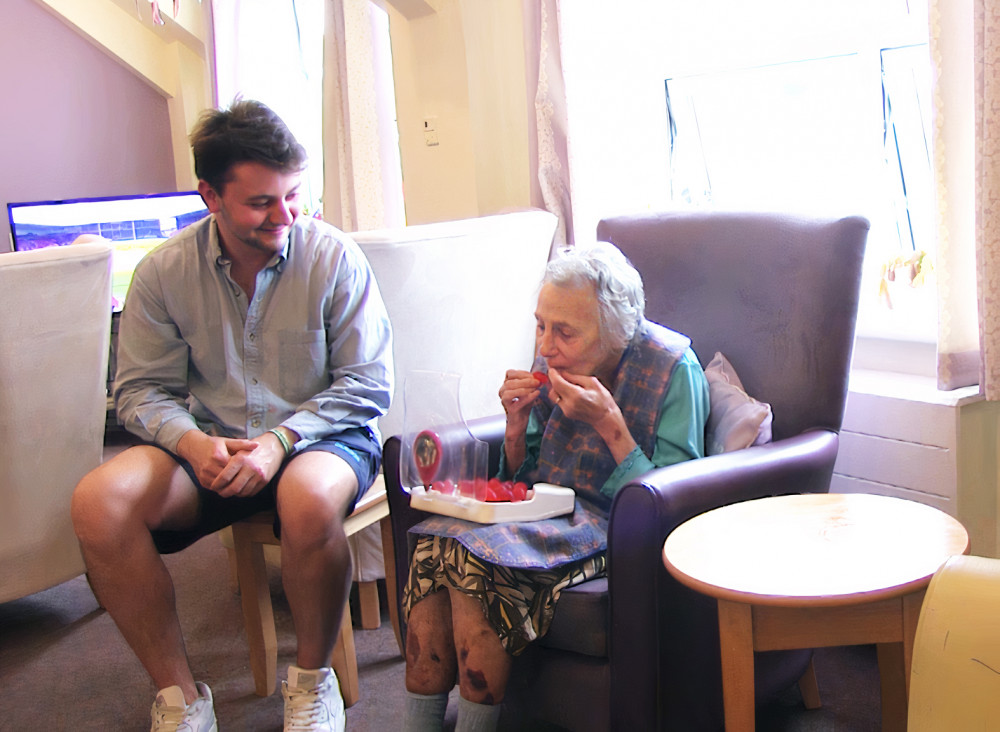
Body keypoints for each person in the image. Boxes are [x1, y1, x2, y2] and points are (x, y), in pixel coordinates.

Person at [71, 99, 393, 732]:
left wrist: (280, 441)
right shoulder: (163, 272)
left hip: (323, 437)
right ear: (209, 196)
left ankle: (310, 683)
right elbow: (139, 391)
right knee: (96, 503)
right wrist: (192, 445)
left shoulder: (333, 258)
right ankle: (181, 697)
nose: (286, 215)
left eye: (293, 195)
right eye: (261, 203)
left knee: (305, 500)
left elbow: (367, 383)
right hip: (210, 448)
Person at [400, 241, 710, 730]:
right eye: (541, 325)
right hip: (545, 511)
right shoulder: (554, 360)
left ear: (616, 333)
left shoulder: (673, 369)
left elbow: (674, 505)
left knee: (474, 560)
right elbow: (526, 480)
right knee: (435, 545)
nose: (545, 347)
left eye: (563, 331)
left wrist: (613, 428)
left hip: (613, 525)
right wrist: (515, 429)